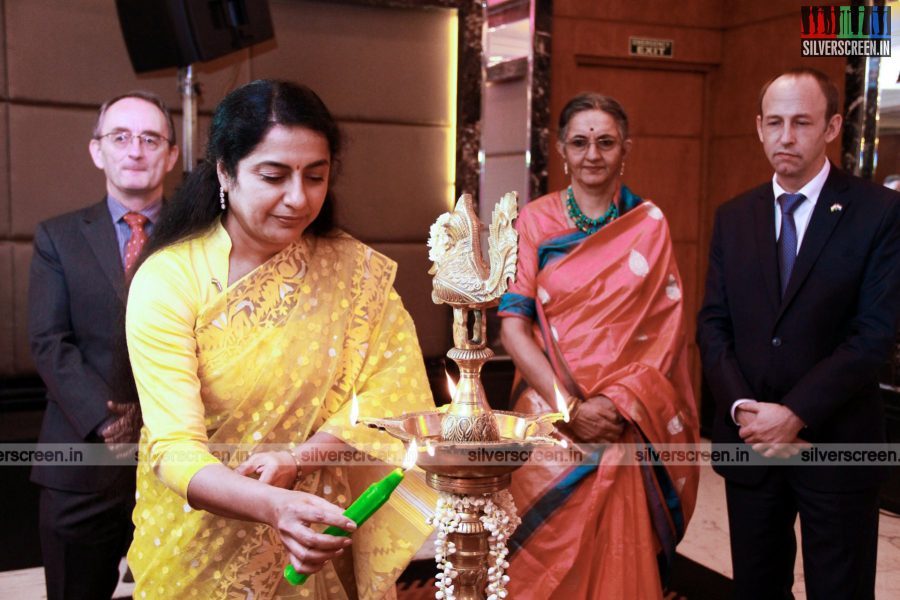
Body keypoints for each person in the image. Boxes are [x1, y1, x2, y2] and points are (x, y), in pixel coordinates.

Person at [124, 79, 436, 599]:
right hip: (198, 551)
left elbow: (391, 397)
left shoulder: (352, 272)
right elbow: (175, 449)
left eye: (316, 177)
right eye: (274, 176)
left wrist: (299, 460)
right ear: (225, 171)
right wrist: (276, 507)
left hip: (315, 539)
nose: (298, 198)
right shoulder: (170, 279)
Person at [697, 67, 900, 599]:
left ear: (832, 126)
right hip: (750, 443)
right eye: (775, 122)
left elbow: (873, 335)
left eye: (802, 122)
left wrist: (793, 414)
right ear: (759, 127)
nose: (786, 137)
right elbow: (713, 324)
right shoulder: (733, 217)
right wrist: (742, 407)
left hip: (835, 444)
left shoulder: (880, 213)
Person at [497, 92, 699, 599]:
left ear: (625, 149)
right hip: (550, 417)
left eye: (605, 142)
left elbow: (666, 329)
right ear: (561, 150)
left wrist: (616, 403)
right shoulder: (536, 222)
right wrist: (569, 407)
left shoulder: (648, 224)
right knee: (539, 556)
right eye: (580, 142)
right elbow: (513, 327)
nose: (593, 154)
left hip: (623, 418)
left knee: (620, 555)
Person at [27, 91, 179, 600]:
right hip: (82, 460)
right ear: (98, 151)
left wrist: (154, 416)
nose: (135, 150)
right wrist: (106, 417)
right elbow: (49, 341)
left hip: (179, 465)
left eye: (150, 138)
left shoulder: (201, 237)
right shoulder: (58, 236)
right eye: (121, 137)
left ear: (171, 155)